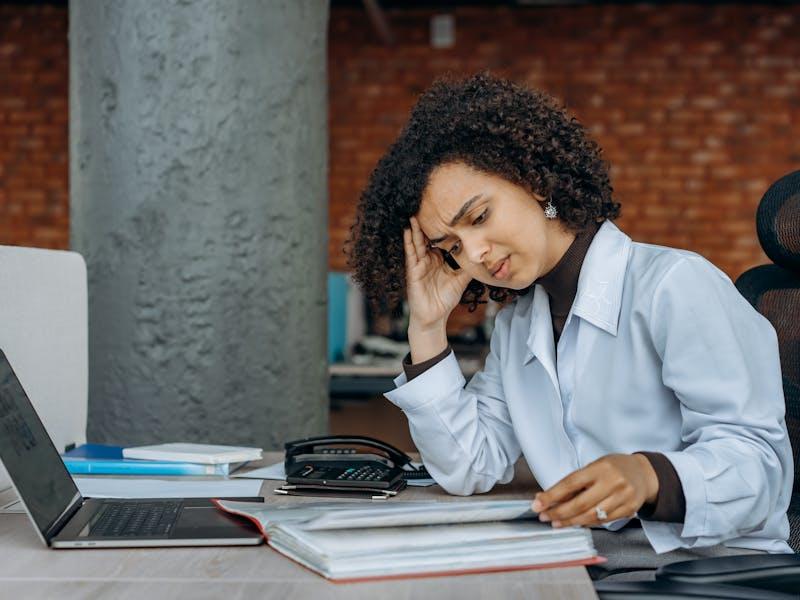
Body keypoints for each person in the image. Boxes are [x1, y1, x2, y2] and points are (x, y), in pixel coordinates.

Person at [346, 72, 793, 576]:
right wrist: (426, 329)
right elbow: (469, 467)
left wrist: (651, 477)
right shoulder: (518, 325)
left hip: (715, 571)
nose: (473, 253)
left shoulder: (673, 285)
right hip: (592, 565)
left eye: (479, 218)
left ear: (533, 180)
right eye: (451, 247)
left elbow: (762, 467)